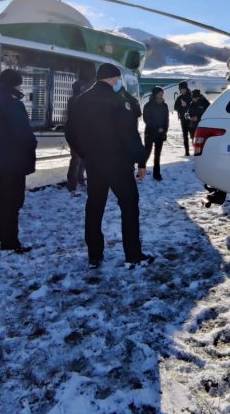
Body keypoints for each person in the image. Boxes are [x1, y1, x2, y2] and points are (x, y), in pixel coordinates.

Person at [65, 63, 152, 268]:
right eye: (118, 79)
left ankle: (94, 254)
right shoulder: (118, 101)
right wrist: (141, 161)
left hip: (94, 163)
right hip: (119, 163)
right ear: (113, 78)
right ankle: (133, 254)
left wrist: (86, 154)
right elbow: (129, 134)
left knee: (95, 207)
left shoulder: (80, 100)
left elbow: (71, 132)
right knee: (129, 207)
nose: (118, 83)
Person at [0, 68, 37, 253]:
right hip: (13, 160)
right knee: (12, 202)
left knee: (1, 199)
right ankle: (10, 242)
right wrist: (31, 145)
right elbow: (23, 134)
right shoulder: (12, 104)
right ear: (15, 84)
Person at [65, 78, 89, 193]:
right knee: (76, 159)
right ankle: (72, 185)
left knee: (82, 158)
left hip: (79, 133)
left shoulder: (76, 100)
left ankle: (80, 179)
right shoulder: (77, 101)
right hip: (75, 134)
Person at [142, 86, 169, 181]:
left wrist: (164, 130)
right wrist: (157, 128)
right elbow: (146, 119)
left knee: (157, 155)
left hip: (160, 134)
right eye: (159, 93)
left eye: (162, 93)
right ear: (155, 94)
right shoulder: (148, 105)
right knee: (147, 152)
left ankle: (156, 174)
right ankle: (141, 171)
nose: (161, 95)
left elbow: (166, 120)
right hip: (150, 132)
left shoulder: (164, 106)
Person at [173, 82, 192, 157]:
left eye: (184, 89)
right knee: (185, 135)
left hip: (191, 118)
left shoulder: (191, 96)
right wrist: (181, 106)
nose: (183, 90)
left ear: (186, 89)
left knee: (193, 135)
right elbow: (175, 107)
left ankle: (196, 150)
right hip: (183, 119)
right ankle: (187, 151)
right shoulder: (179, 98)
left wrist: (186, 105)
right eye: (181, 89)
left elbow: (194, 106)